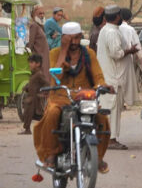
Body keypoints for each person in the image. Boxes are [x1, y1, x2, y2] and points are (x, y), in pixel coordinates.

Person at [33, 22, 112, 173]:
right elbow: (56, 77)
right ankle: (50, 153)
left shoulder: (89, 54)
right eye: (70, 39)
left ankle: (98, 157)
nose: (74, 43)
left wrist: (103, 85)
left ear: (81, 37)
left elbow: (98, 76)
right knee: (52, 114)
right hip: (60, 95)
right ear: (64, 38)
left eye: (77, 38)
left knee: (102, 118)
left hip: (84, 97)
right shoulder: (55, 53)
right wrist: (63, 50)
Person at [97, 5, 138, 150]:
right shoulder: (111, 32)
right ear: (116, 17)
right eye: (120, 16)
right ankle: (111, 139)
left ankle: (108, 137)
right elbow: (116, 53)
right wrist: (130, 51)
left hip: (111, 76)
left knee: (111, 109)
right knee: (113, 109)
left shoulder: (107, 30)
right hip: (113, 78)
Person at [19, 54, 49, 135]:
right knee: (28, 114)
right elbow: (32, 83)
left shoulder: (39, 74)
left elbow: (46, 84)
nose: (30, 64)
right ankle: (27, 129)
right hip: (31, 99)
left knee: (39, 115)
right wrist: (27, 87)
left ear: (38, 64)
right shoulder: (34, 74)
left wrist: (43, 94)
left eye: (32, 62)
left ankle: (48, 128)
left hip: (36, 100)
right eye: (30, 62)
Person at [119, 8, 142, 107]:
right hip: (128, 56)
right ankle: (125, 101)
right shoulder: (130, 29)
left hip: (117, 56)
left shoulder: (116, 28)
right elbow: (137, 45)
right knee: (127, 79)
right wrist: (139, 57)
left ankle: (119, 100)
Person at [26, 6, 50, 80]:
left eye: (43, 13)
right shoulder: (34, 26)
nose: (42, 16)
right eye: (40, 14)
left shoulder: (40, 26)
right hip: (39, 58)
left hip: (44, 57)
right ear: (34, 15)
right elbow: (31, 43)